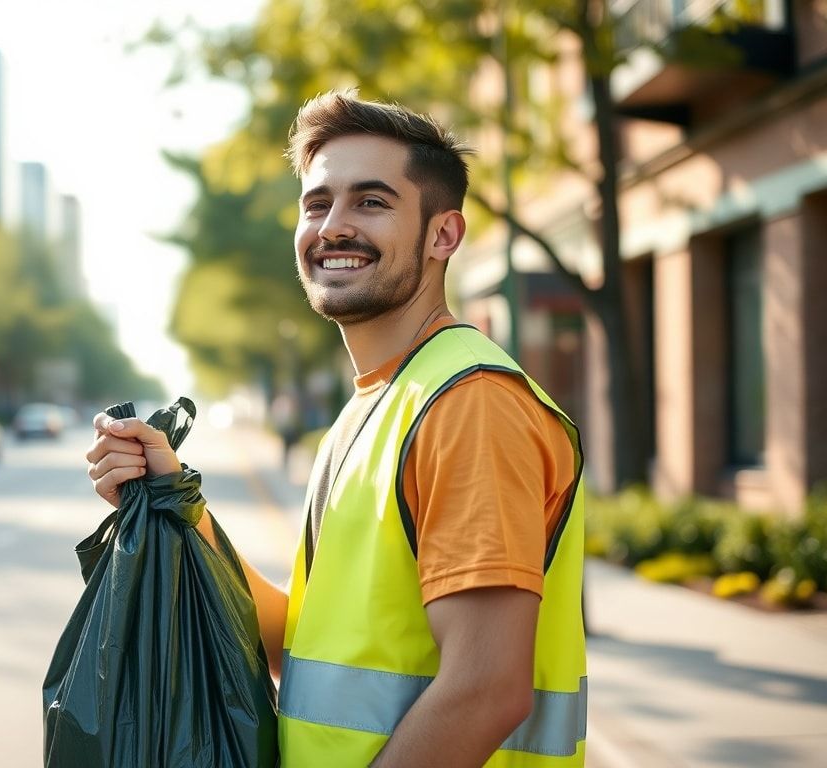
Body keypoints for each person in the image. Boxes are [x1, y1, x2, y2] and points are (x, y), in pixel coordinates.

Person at [85, 91, 586, 767]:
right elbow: (299, 644)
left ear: (443, 235)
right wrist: (175, 505)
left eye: (371, 202)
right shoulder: (375, 404)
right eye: (318, 204)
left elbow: (487, 689)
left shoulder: (468, 402)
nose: (334, 227)